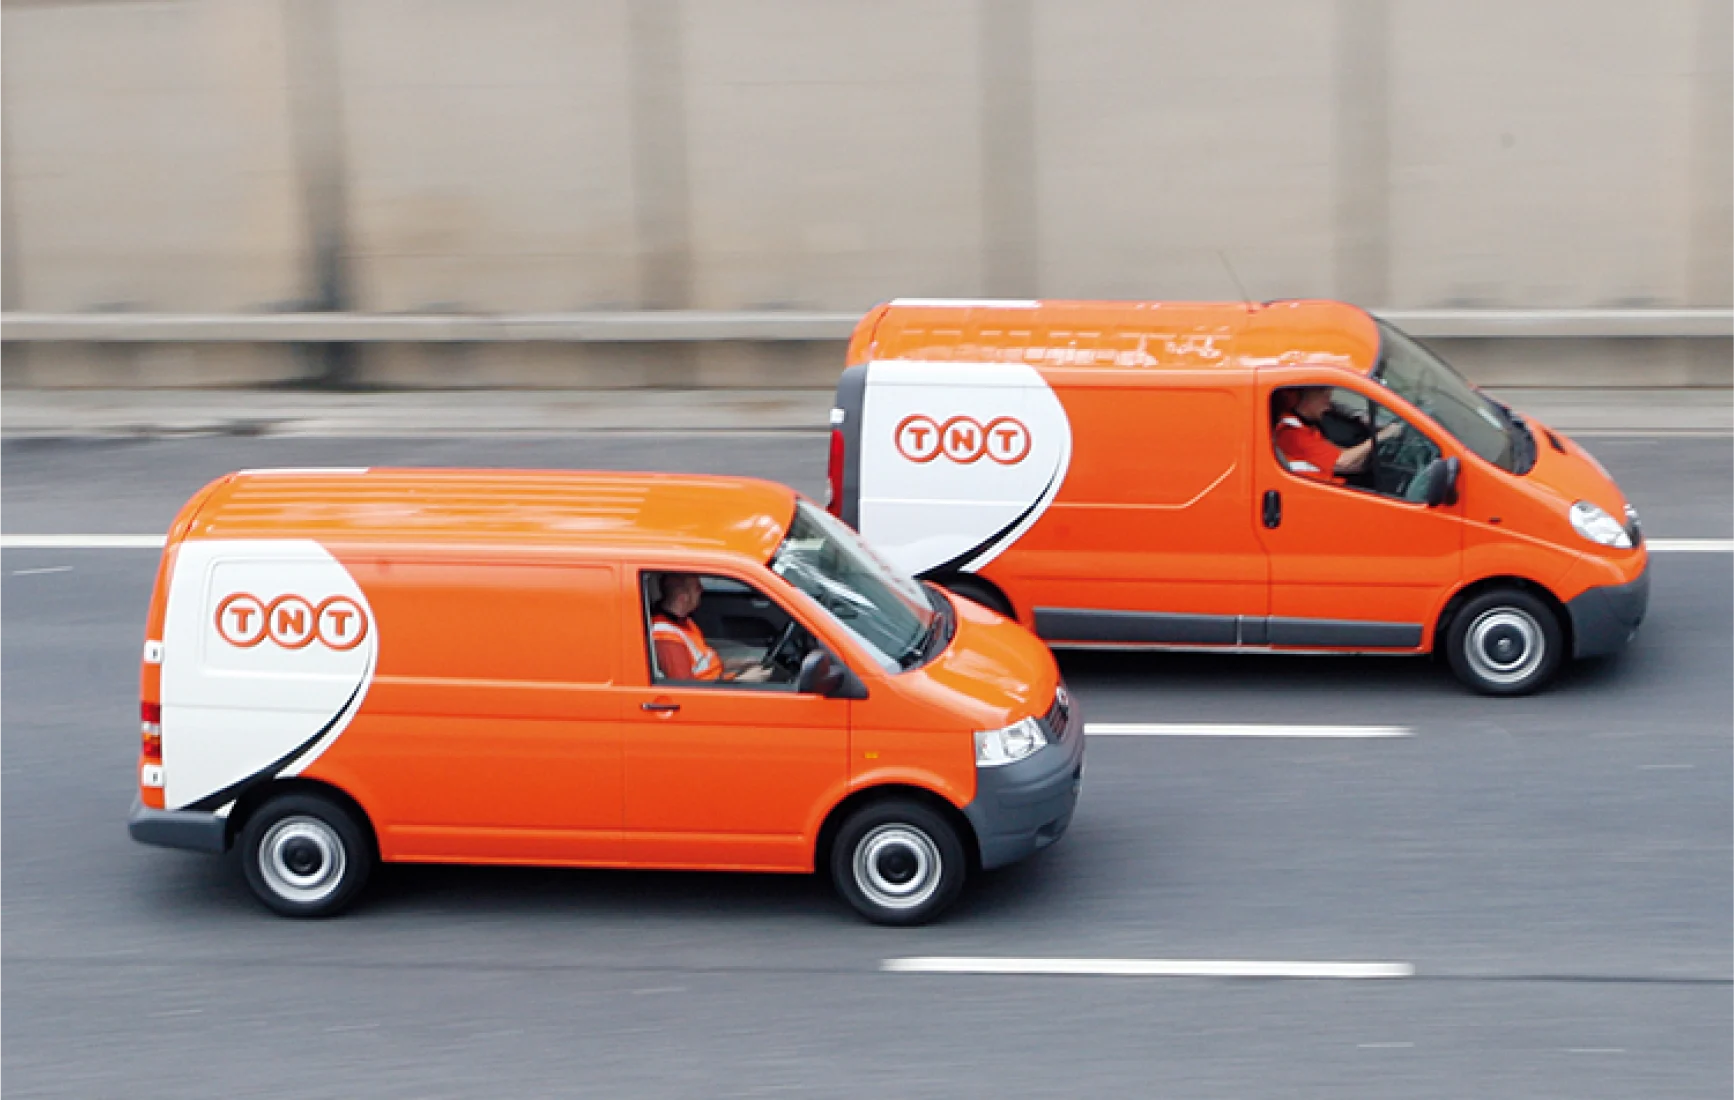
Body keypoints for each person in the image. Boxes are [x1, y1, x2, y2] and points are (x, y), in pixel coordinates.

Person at [650, 573, 773, 683]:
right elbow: (686, 690)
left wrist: (741, 664)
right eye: (697, 588)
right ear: (683, 598)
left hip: (719, 682)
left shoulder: (684, 621)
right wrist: (744, 680)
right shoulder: (665, 636)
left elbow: (704, 664)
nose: (702, 590)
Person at [1273, 386, 1402, 484]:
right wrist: (1382, 436)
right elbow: (1342, 461)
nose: (1328, 405)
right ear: (1304, 400)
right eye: (1325, 398)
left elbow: (1346, 459)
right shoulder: (1291, 434)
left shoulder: (1306, 427)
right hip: (1323, 498)